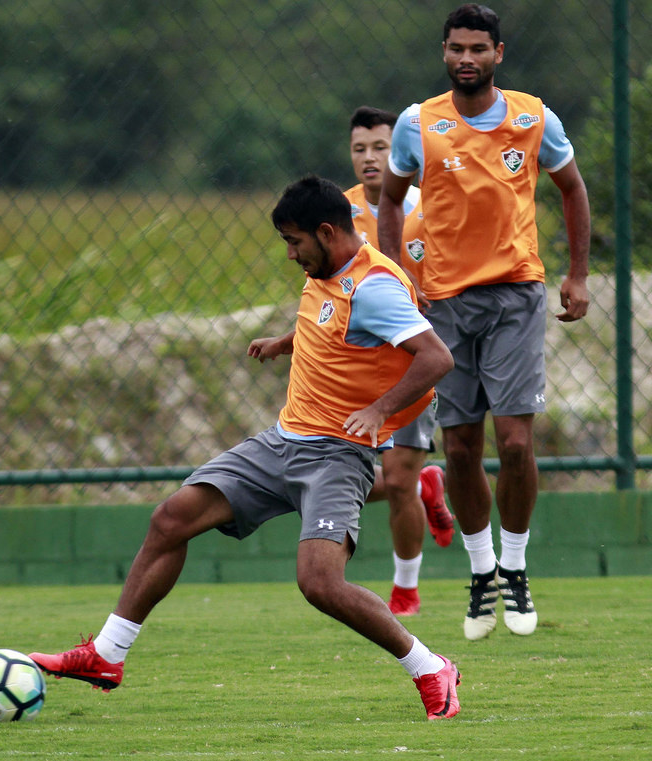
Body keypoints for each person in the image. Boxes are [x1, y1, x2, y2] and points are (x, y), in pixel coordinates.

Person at [30, 175, 462, 720]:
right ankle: (106, 655)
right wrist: (287, 342)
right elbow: (334, 325)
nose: (289, 254)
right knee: (172, 518)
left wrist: (379, 410)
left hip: (337, 454)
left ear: (327, 233)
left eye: (294, 241)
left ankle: (429, 666)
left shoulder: (375, 286)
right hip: (283, 441)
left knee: (320, 584)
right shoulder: (327, 270)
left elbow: (435, 358)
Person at [377, 4, 590, 641]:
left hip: (517, 295)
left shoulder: (534, 116)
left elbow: (572, 187)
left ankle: (517, 568)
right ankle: (481, 573)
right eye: (454, 48)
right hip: (442, 303)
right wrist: (396, 282)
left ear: (499, 53)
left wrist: (577, 275)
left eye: (477, 48)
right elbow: (389, 201)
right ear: (443, 53)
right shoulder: (418, 123)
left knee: (517, 444)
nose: (465, 58)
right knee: (463, 448)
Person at [345, 105, 456, 616]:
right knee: (368, 480)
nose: (370, 159)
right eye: (360, 149)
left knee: (397, 475)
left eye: (381, 148)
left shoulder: (425, 207)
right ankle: (425, 485)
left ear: (400, 152)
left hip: (412, 364)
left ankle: (405, 589)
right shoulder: (337, 214)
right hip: (353, 368)